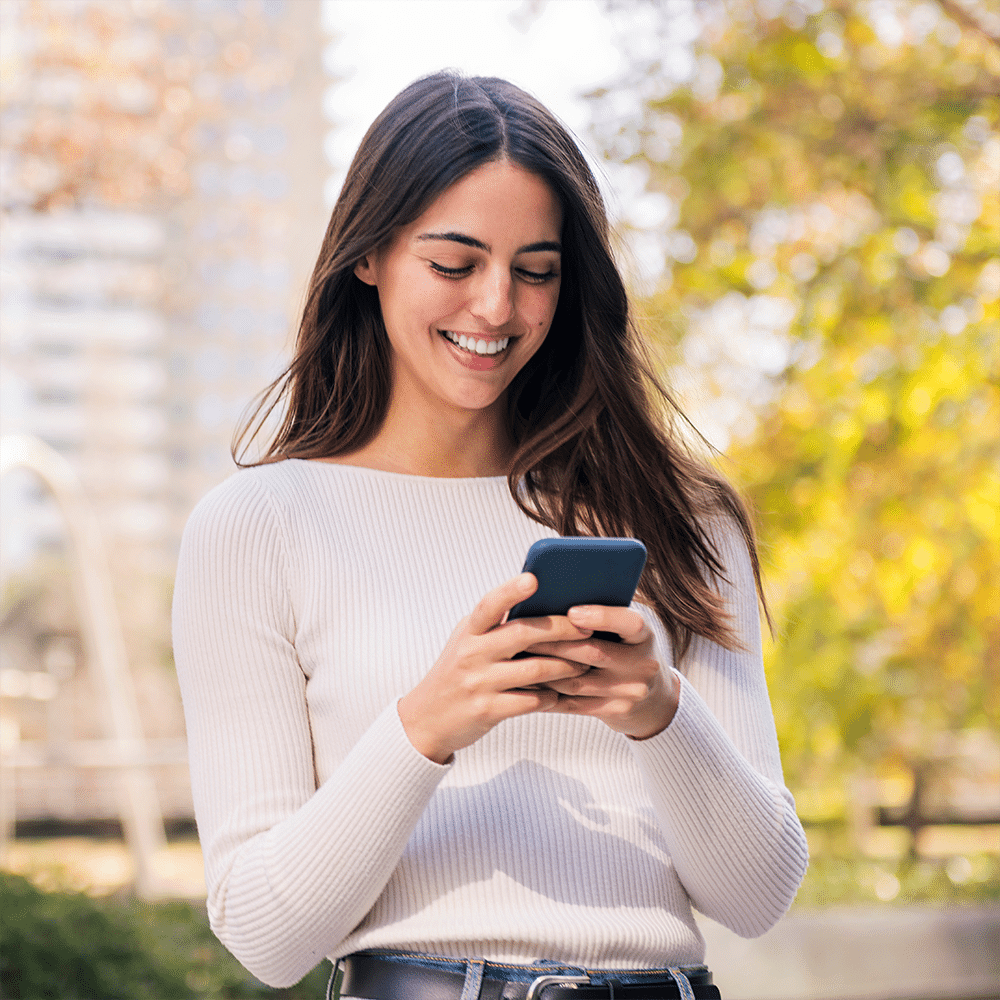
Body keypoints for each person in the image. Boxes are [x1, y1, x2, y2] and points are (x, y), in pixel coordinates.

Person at [172, 72, 808, 1000]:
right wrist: (431, 722)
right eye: (454, 263)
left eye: (536, 270)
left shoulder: (679, 517)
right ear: (369, 256)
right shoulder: (257, 528)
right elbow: (265, 935)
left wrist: (660, 711)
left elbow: (758, 896)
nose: (498, 308)